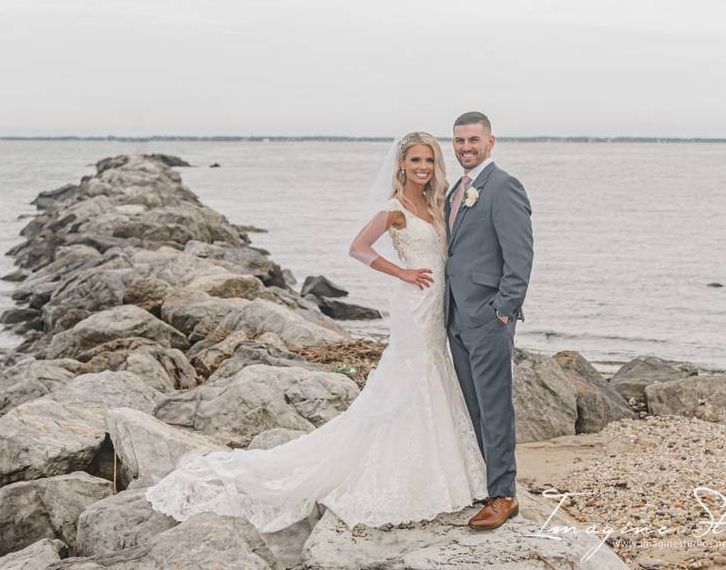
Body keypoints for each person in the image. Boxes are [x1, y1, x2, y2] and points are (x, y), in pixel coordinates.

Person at [144, 131, 490, 533]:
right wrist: (402, 272)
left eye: (429, 161)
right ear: (401, 165)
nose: (423, 168)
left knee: (434, 371)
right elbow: (358, 248)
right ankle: (406, 470)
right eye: (415, 161)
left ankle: (447, 469)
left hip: (438, 303)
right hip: (414, 304)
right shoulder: (394, 209)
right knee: (413, 375)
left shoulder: (435, 202)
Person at [444, 111, 534, 530]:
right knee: (474, 408)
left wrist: (503, 310)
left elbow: (520, 257)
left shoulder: (502, 187)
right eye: (460, 140)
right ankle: (487, 484)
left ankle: (504, 495)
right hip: (456, 317)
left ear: (491, 142)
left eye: (473, 140)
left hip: (488, 318)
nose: (466, 147)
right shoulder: (455, 192)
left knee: (495, 408)